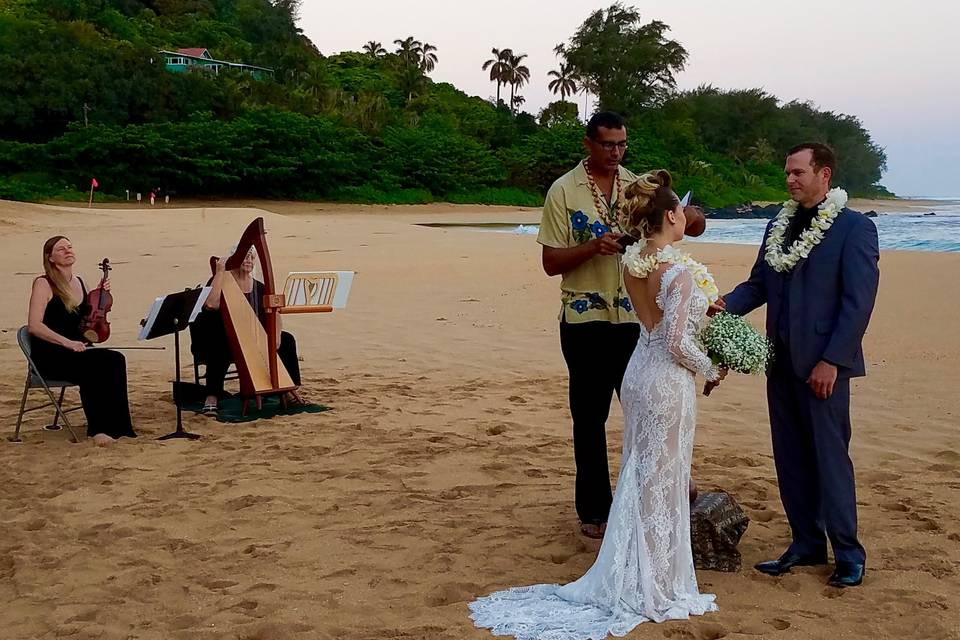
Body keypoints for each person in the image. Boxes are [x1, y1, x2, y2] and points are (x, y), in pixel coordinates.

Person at [471, 170, 724, 638]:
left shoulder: (633, 263)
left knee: (641, 470)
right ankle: (654, 581)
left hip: (638, 373)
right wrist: (712, 366)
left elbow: (652, 327)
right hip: (667, 380)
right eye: (680, 212)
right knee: (662, 473)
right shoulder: (680, 273)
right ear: (672, 216)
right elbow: (674, 341)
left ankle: (636, 566)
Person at [720, 143, 879, 588]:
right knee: (789, 457)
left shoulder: (854, 229)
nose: (790, 179)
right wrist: (720, 308)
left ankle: (848, 552)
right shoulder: (778, 225)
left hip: (824, 367)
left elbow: (858, 303)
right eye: (787, 173)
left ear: (824, 174)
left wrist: (832, 360)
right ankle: (806, 543)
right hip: (781, 362)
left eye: (798, 172)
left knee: (830, 459)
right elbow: (758, 286)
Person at [537, 111, 641, 539]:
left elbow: (667, 233)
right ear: (588, 144)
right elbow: (549, 262)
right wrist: (592, 248)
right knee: (589, 415)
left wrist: (690, 217)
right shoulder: (563, 190)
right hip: (583, 319)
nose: (615, 153)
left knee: (640, 412)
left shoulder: (636, 187)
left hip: (633, 317)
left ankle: (640, 501)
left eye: (621, 145)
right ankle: (595, 511)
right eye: (607, 145)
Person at [26, 236, 137, 445]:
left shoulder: (80, 282)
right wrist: (66, 342)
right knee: (94, 366)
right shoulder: (44, 283)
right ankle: (98, 430)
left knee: (115, 359)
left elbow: (87, 320)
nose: (67, 251)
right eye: (60, 249)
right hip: (51, 354)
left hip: (78, 350)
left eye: (69, 247)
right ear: (50, 257)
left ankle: (121, 427)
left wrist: (100, 295)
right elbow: (34, 325)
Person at [192, 246, 305, 414]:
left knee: (288, 339)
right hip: (223, 339)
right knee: (219, 343)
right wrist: (220, 272)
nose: (249, 260)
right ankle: (212, 396)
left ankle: (288, 388)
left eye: (252, 257)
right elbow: (211, 304)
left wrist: (277, 334)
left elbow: (275, 313)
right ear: (234, 260)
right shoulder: (221, 281)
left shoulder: (259, 287)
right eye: (244, 257)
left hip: (251, 340)